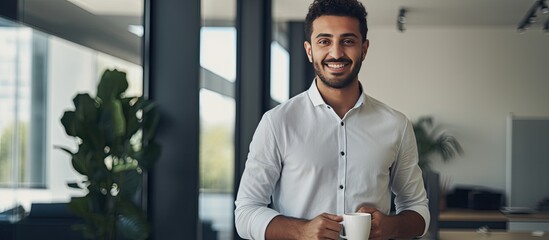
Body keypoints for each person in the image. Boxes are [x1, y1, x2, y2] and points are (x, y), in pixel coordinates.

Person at [234, 0, 430, 239]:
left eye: (347, 41)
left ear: (364, 48)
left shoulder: (396, 125)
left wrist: (391, 226)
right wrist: (301, 231)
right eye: (324, 41)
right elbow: (245, 212)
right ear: (309, 50)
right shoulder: (277, 123)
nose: (336, 52)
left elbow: (418, 209)